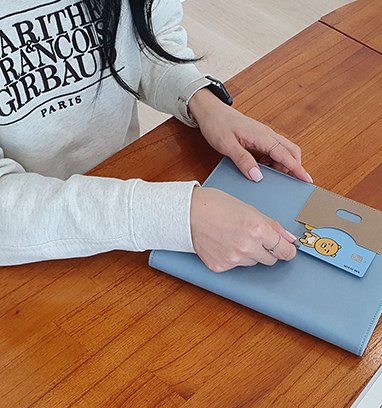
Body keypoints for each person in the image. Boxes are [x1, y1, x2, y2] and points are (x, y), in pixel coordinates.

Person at [0, 0, 312, 271]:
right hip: (25, 256)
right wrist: (176, 216)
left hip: (122, 181)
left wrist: (202, 101)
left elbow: (147, 39)